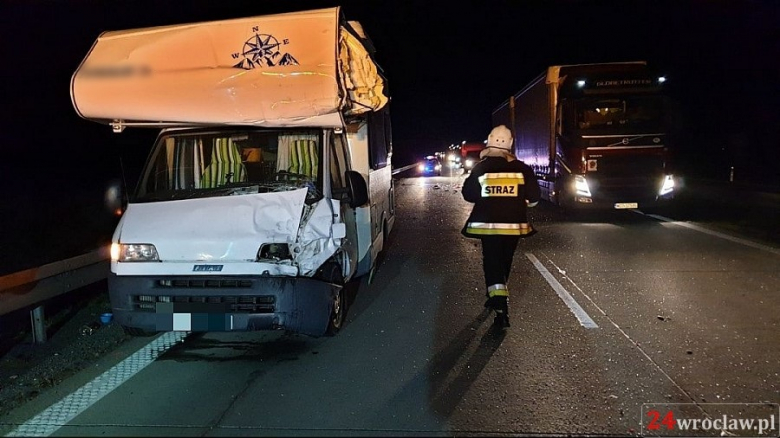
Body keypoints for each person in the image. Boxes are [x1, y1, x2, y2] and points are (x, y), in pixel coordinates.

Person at [461, 125, 541, 329]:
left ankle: (500, 304)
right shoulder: (523, 168)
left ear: (489, 142)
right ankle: (496, 293)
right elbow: (534, 199)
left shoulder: (481, 168)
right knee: (505, 260)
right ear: (510, 144)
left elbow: (468, 194)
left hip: (488, 227)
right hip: (513, 226)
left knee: (492, 261)